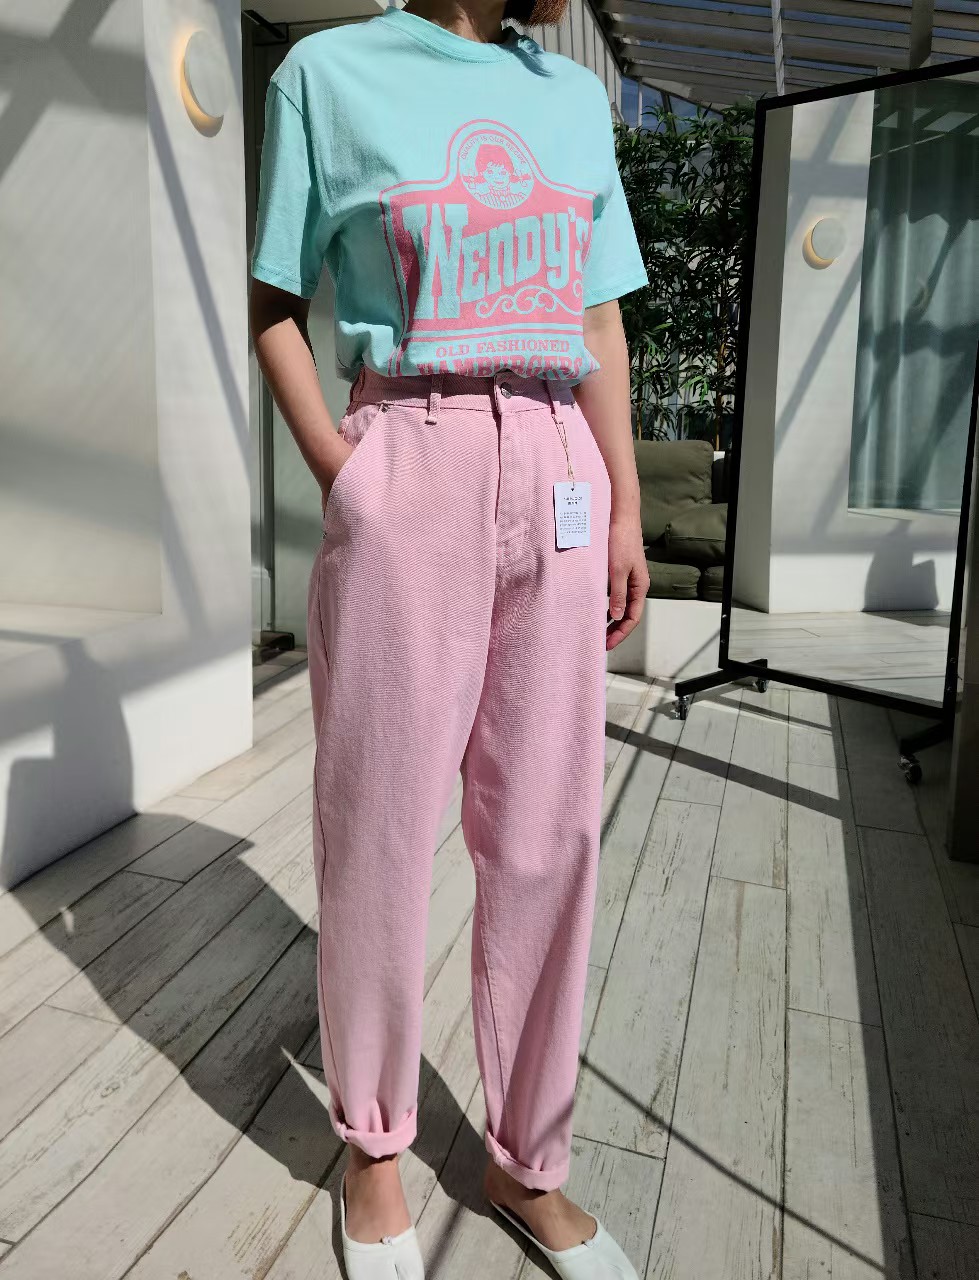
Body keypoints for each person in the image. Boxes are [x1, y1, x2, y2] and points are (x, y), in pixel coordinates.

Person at [248, 1, 650, 1276]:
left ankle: (527, 1160)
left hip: (558, 461)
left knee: (548, 829)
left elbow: (597, 319)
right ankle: (373, 1144)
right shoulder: (327, 73)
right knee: (378, 818)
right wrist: (345, 472)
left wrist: (622, 505)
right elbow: (273, 301)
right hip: (408, 455)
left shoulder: (573, 99)